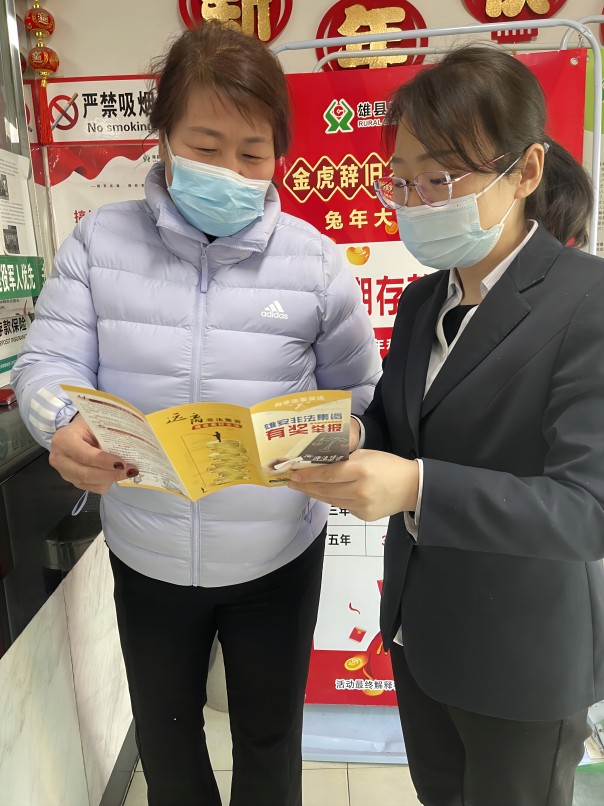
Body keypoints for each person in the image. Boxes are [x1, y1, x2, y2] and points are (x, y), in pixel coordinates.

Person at [12, 21, 380, 806]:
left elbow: (360, 395)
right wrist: (59, 425)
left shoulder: (315, 263)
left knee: (269, 736)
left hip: (277, 555)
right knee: (167, 733)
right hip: (146, 551)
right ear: (164, 140)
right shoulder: (99, 244)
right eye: (205, 147)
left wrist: (338, 436)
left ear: (279, 155)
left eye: (253, 153)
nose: (231, 172)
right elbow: (46, 367)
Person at [288, 45, 604, 806]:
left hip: (521, 657)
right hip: (419, 634)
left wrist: (416, 488)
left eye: (443, 177)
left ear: (525, 172)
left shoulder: (586, 301)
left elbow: (587, 509)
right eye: (403, 180)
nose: (419, 200)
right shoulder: (423, 301)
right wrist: (353, 436)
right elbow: (401, 423)